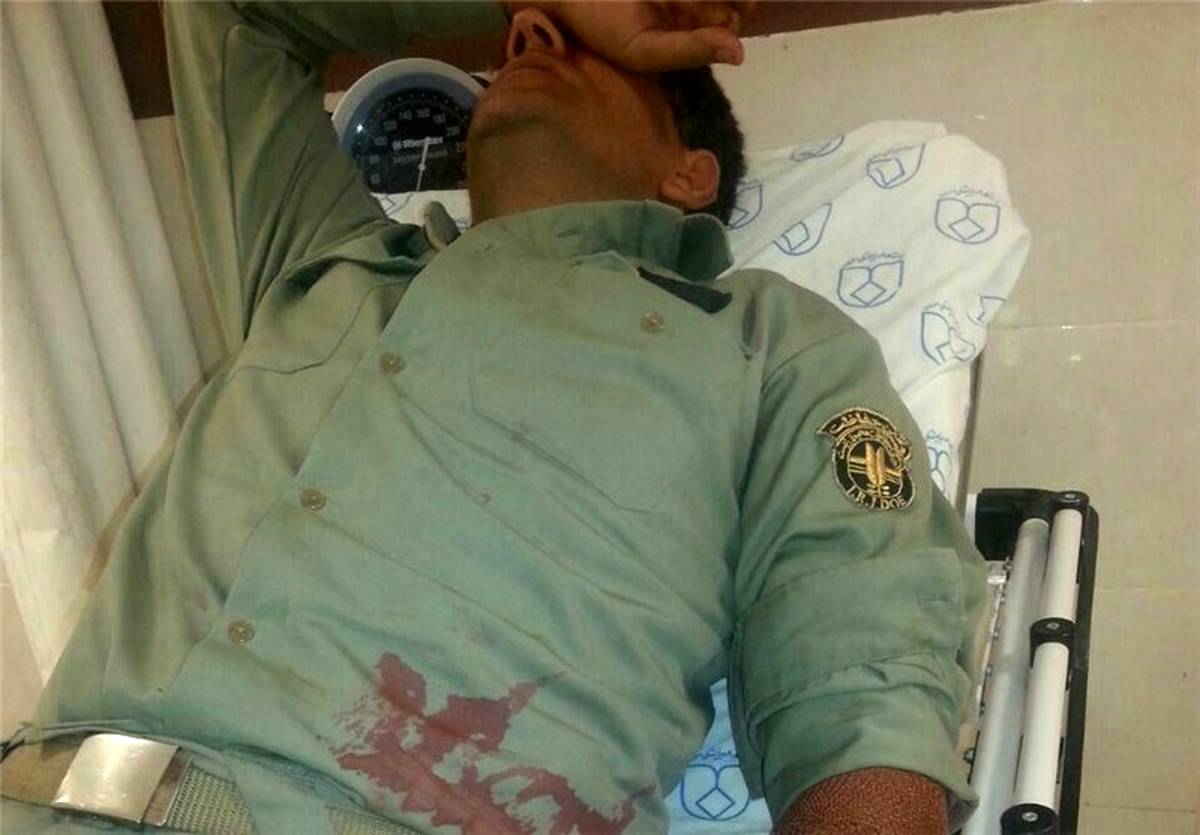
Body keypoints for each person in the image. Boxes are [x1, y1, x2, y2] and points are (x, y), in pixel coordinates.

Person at [0, 2, 987, 833]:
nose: (527, 39)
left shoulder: (771, 343)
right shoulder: (325, 261)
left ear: (691, 173)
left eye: (580, 47)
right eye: (523, 31)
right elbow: (232, 14)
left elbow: (864, 689)